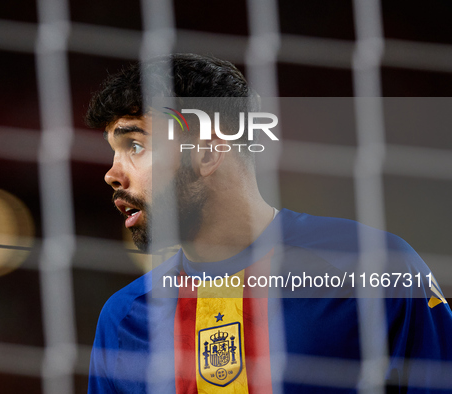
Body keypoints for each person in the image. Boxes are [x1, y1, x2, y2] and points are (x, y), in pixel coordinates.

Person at [85, 53, 452, 393]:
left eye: (134, 145)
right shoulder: (124, 318)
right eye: (113, 152)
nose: (111, 174)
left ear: (208, 152)